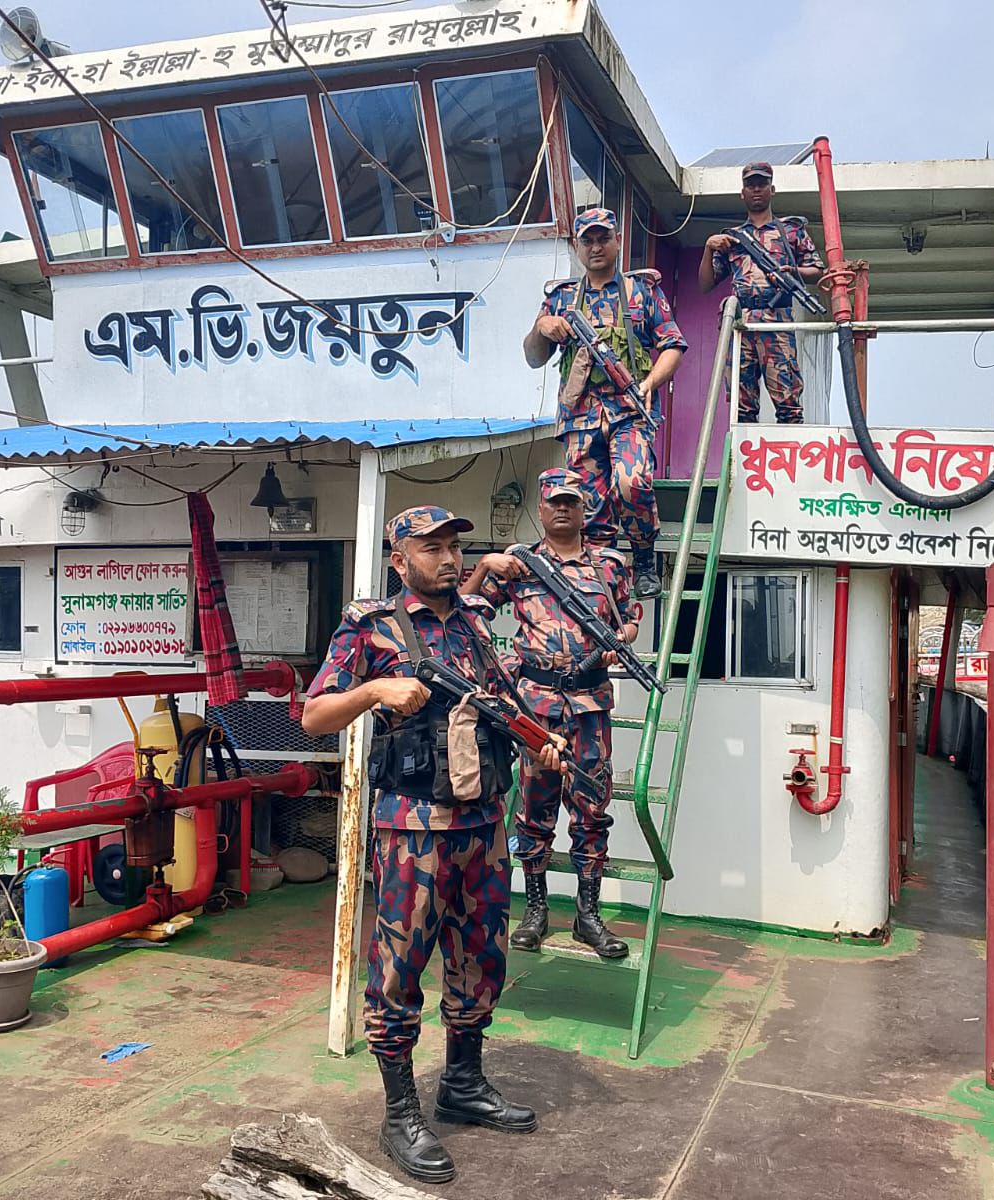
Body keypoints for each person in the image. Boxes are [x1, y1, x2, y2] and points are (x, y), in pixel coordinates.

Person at [300, 505, 564, 1185]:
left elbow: (505, 705)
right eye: (432, 547)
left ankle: (465, 1083)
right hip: (413, 825)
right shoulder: (371, 626)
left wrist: (542, 744)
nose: (449, 558)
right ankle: (399, 1113)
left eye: (455, 546)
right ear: (400, 560)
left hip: (482, 823)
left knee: (482, 957)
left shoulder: (476, 623)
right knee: (397, 970)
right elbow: (313, 714)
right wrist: (376, 688)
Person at [463, 468, 639, 960]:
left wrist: (619, 643)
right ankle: (535, 911)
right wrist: (487, 563)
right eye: (553, 502)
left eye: (571, 502)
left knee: (590, 808)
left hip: (588, 705)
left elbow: (629, 622)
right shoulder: (520, 565)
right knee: (534, 810)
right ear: (541, 510)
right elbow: (469, 610)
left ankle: (588, 915)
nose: (562, 509)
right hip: (536, 704)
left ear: (584, 510)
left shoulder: (609, 565)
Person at [525, 207, 687, 599]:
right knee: (589, 505)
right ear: (578, 247)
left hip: (629, 411)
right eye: (588, 240)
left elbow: (673, 345)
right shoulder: (562, 299)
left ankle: (644, 558)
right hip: (581, 417)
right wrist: (542, 327)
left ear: (617, 241)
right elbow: (533, 356)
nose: (596, 247)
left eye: (603, 238)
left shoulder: (641, 292)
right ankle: (598, 584)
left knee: (631, 483)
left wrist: (650, 382)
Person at [697, 162, 825, 424]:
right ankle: (743, 464)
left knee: (788, 403)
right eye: (750, 185)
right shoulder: (732, 238)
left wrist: (794, 272)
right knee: (742, 407)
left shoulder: (790, 230)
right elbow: (705, 284)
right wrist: (709, 248)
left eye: (762, 184)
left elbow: (818, 269)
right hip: (741, 323)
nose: (756, 189)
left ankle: (790, 461)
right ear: (742, 193)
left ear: (772, 189)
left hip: (777, 320)